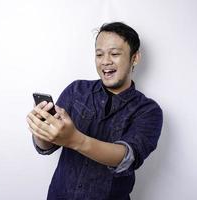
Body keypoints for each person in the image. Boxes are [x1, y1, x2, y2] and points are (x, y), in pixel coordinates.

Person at [26, 22, 163, 200]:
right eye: (99, 54)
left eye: (114, 54)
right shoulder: (76, 90)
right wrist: (41, 131)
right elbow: (47, 146)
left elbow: (127, 158)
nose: (105, 61)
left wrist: (75, 139)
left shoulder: (148, 111)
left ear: (134, 58)